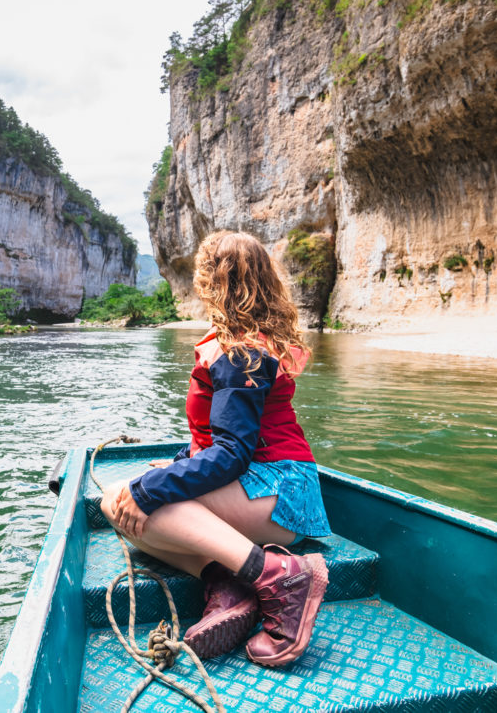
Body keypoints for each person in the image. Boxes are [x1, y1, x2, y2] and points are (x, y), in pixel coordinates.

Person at [101, 230, 331, 668]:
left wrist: (154, 486)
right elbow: (219, 439)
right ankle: (227, 581)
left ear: (211, 280)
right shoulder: (253, 340)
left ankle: (281, 578)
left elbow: (231, 452)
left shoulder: (238, 351)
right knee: (130, 504)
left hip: (280, 496)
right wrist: (180, 465)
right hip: (275, 488)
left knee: (126, 500)